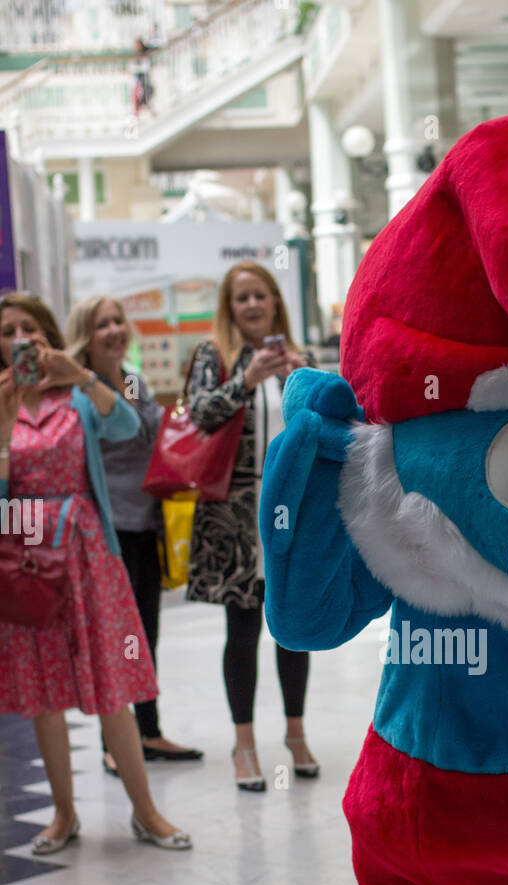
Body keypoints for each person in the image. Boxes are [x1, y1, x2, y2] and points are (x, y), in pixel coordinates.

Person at [0, 293, 191, 853]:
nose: (18, 340)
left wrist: (80, 373)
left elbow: (129, 423)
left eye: (28, 328)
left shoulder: (76, 394)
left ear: (47, 336)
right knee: (43, 692)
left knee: (113, 684)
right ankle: (63, 814)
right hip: (28, 554)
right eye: (6, 331)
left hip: (89, 550)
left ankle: (146, 812)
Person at [185, 261, 319, 790]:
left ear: (275, 302)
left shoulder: (297, 358)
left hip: (293, 509)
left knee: (293, 626)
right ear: (230, 306)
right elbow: (199, 414)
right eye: (241, 298)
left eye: (261, 295)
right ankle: (243, 743)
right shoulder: (213, 355)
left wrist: (299, 377)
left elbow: (328, 422)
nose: (252, 305)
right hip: (234, 513)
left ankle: (295, 731)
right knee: (241, 629)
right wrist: (246, 380)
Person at [66, 295, 203, 774]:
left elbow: (151, 435)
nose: (113, 331)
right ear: (87, 333)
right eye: (102, 324)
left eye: (117, 321)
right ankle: (114, 739)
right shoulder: (78, 391)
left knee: (144, 634)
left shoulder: (131, 380)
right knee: (113, 638)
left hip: (144, 525)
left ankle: (148, 731)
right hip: (107, 531)